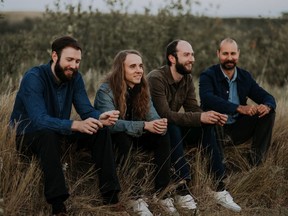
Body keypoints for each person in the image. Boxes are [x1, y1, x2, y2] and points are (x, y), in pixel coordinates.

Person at [10, 36, 122, 216]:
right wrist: (75, 125)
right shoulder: (34, 77)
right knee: (47, 133)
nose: (74, 65)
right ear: (55, 56)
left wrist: (100, 117)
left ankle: (111, 198)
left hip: (58, 132)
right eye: (69, 60)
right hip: (28, 135)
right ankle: (58, 205)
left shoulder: (75, 78)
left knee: (100, 131)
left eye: (77, 61)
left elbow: (85, 109)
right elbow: (39, 120)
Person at [147, 39, 242, 212]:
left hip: (172, 128)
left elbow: (192, 108)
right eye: (186, 55)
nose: (192, 59)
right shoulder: (156, 78)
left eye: (192, 54)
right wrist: (200, 117)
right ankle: (181, 188)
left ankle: (218, 186)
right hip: (153, 130)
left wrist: (210, 117)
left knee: (206, 125)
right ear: (172, 58)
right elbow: (165, 115)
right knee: (172, 125)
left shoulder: (187, 78)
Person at [94, 49, 183, 216]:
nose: (139, 70)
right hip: (113, 141)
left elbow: (153, 117)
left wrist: (159, 124)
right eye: (133, 66)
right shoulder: (106, 91)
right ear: (121, 69)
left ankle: (162, 193)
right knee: (121, 136)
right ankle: (135, 197)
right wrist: (144, 126)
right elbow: (110, 125)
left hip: (136, 137)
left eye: (141, 66)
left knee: (165, 133)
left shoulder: (142, 89)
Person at [199, 37, 276, 167]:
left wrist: (267, 106)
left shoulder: (245, 76)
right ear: (218, 54)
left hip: (238, 128)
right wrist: (238, 108)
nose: (229, 58)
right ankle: (220, 165)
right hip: (216, 129)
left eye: (233, 53)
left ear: (238, 54)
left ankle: (256, 162)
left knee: (269, 113)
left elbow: (266, 96)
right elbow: (207, 98)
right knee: (214, 115)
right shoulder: (208, 75)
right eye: (225, 54)